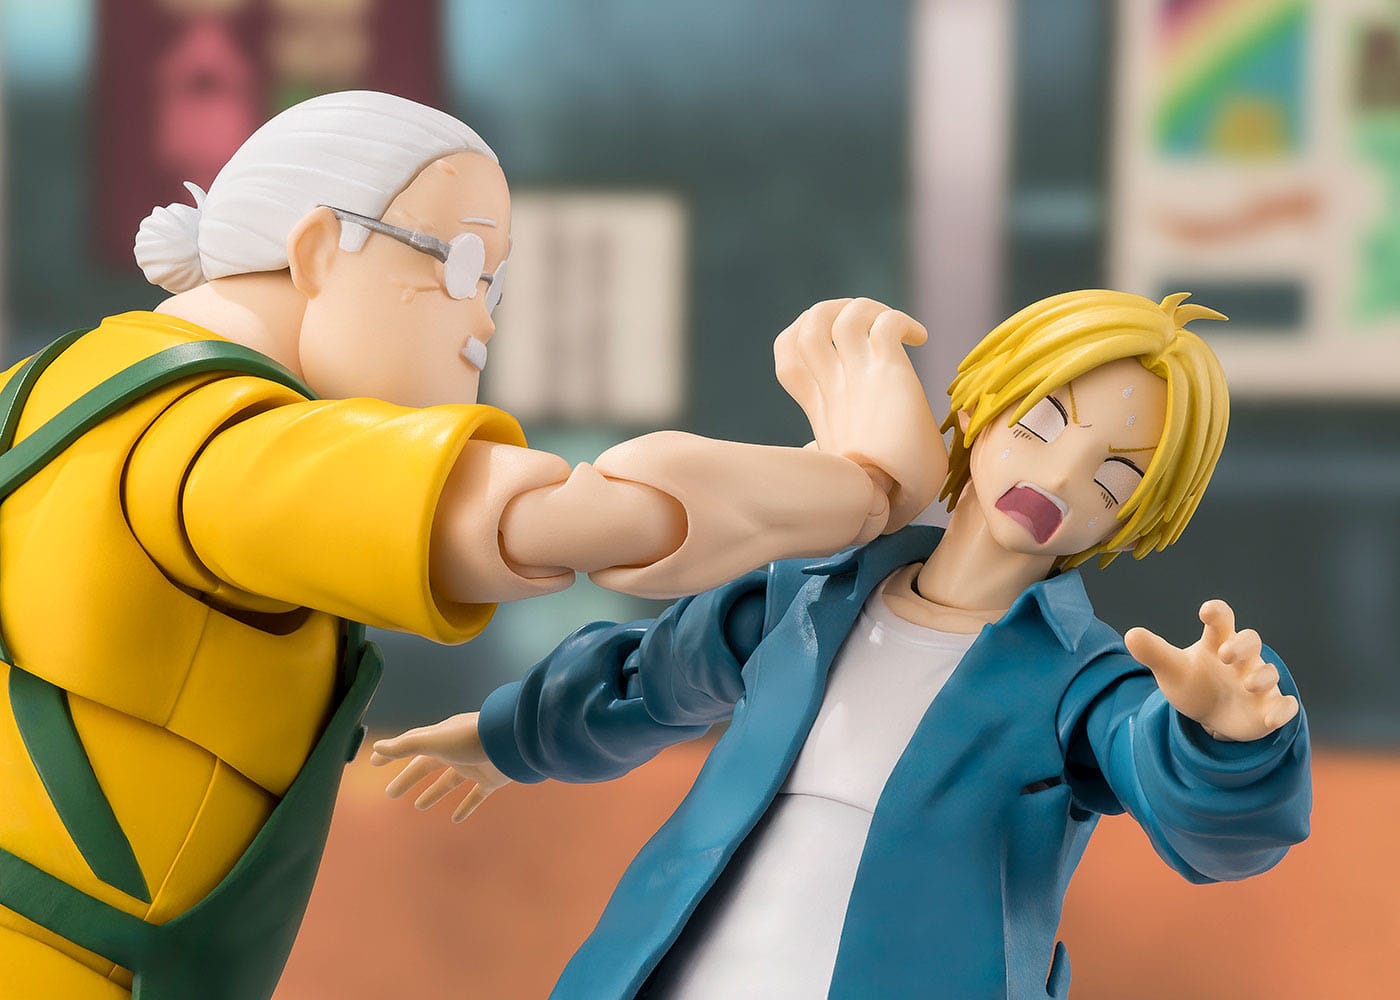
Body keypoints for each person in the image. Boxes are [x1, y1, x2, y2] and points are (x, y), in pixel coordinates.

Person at [0, 91, 942, 1000]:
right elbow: (592, 518)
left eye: (494, 284)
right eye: (461, 266)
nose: (483, 320)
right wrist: (862, 482)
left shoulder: (43, 391)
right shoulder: (219, 444)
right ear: (320, 249)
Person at [375, 289, 1313, 1000]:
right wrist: (510, 735)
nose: (1060, 476)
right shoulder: (808, 599)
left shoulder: (1080, 686)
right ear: (981, 409)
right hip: (694, 960)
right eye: (1040, 423)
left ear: (1139, 516)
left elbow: (1190, 805)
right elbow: (650, 678)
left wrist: (1228, 745)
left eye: (1113, 477)